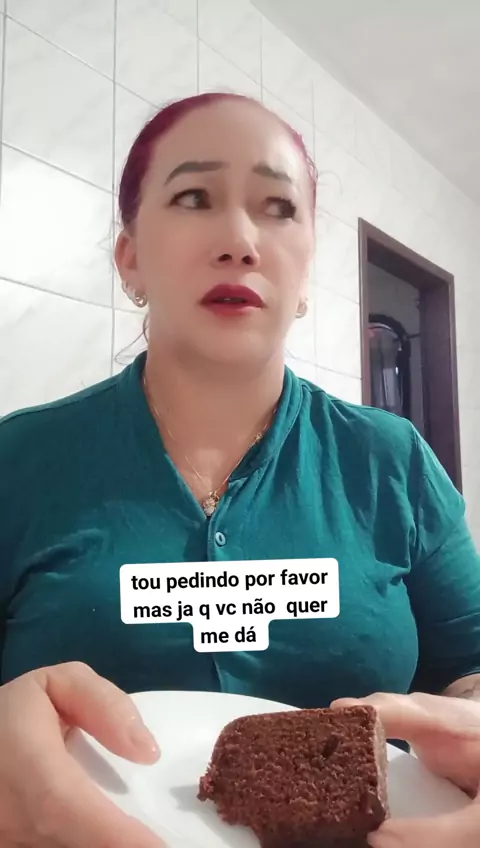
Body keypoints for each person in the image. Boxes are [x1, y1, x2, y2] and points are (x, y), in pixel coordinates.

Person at [0, 91, 479, 846]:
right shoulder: (19, 462)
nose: (240, 240)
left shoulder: (393, 463)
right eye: (194, 197)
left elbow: (470, 666)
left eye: (278, 208)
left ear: (306, 271)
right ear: (130, 258)